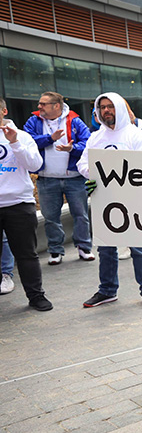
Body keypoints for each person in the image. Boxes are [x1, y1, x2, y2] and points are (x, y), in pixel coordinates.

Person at [78, 93, 142, 309]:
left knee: (139, 247)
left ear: (120, 109)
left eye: (110, 107)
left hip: (133, 199)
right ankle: (107, 290)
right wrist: (94, 172)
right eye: (102, 107)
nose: (106, 111)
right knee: (106, 247)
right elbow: (82, 164)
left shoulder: (136, 135)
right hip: (104, 199)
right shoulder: (96, 137)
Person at [23, 91, 94, 265]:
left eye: (43, 104)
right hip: (46, 178)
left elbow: (87, 143)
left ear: (56, 106)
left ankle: (84, 247)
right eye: (39, 103)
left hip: (75, 178)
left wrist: (72, 149)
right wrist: (50, 138)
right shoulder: (34, 121)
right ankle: (55, 250)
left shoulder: (75, 120)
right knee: (50, 217)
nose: (39, 107)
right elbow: (27, 141)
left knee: (81, 214)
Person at [0, 99, 52, 310]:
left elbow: (35, 165)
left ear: (4, 111)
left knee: (26, 254)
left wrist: (14, 143)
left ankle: (36, 296)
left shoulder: (21, 136)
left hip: (18, 203)